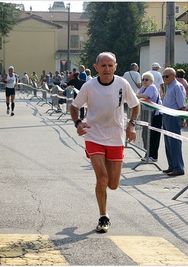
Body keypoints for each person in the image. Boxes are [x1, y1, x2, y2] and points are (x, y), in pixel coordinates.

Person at [69, 52, 140, 233]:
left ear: (115, 67)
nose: (107, 69)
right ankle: (103, 216)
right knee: (101, 178)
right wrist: (78, 123)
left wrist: (131, 125)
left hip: (115, 137)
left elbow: (135, 104)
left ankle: (105, 198)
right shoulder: (89, 86)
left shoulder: (122, 84)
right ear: (96, 67)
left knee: (113, 184)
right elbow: (74, 106)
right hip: (94, 136)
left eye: (110, 65)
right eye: (103, 66)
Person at [161, 67, 187, 176]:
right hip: (167, 115)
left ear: (173, 76)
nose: (164, 78)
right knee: (168, 142)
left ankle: (178, 167)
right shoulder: (169, 86)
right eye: (163, 76)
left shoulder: (177, 86)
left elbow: (182, 104)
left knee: (174, 142)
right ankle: (171, 166)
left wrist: (183, 118)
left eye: (166, 76)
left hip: (174, 115)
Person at [136, 71, 162, 162]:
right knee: (145, 134)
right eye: (143, 79)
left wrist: (134, 96)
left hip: (155, 114)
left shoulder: (151, 87)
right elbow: (138, 94)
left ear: (151, 81)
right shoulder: (143, 87)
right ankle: (148, 153)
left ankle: (153, 156)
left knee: (153, 135)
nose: (144, 81)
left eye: (146, 79)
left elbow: (144, 96)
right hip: (147, 114)